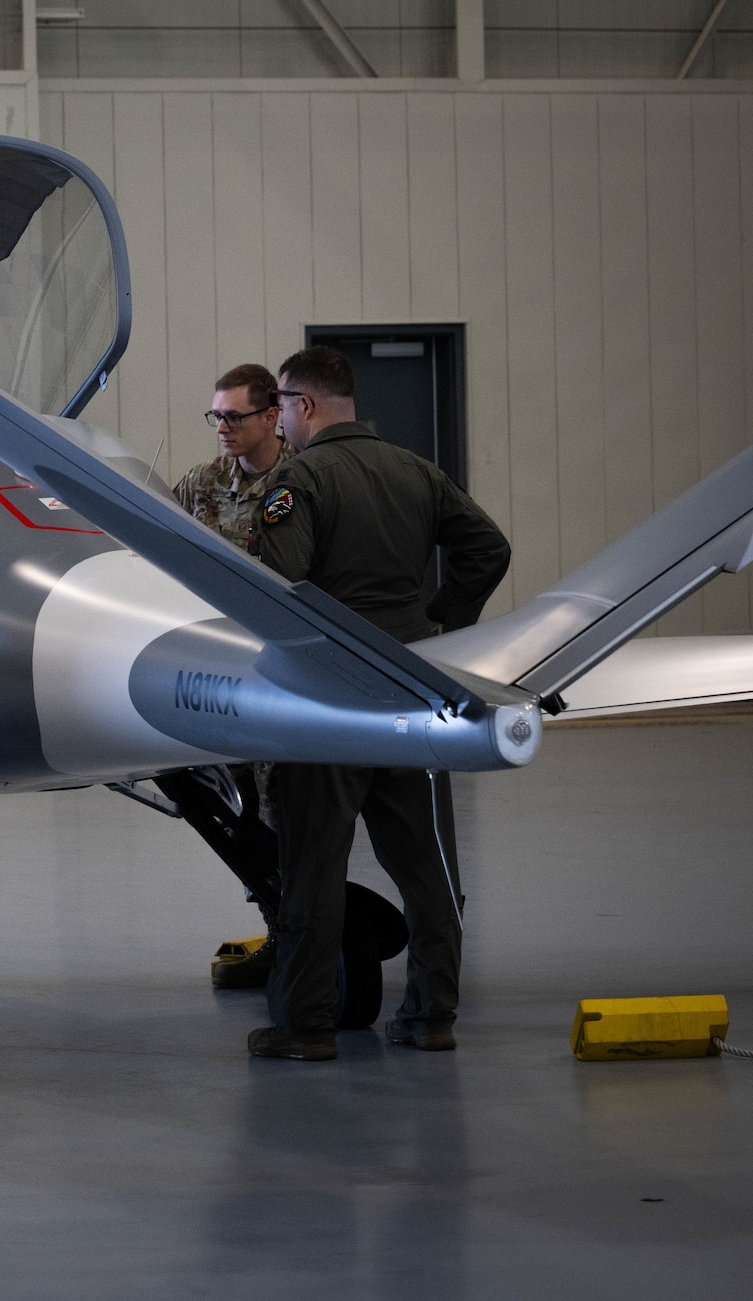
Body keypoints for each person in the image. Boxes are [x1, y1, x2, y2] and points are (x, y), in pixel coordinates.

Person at [248, 345, 510, 1061]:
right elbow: (488, 548)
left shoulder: (298, 480)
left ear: (302, 405)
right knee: (429, 867)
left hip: (330, 701)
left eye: (280, 405)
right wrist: (436, 622)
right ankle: (432, 1015)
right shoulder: (416, 471)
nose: (279, 419)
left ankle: (304, 1025)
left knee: (312, 866)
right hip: (413, 689)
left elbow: (282, 584)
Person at [160, 363, 289, 991]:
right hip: (223, 679)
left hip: (287, 677)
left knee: (287, 811)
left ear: (272, 416)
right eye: (216, 417)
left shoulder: (301, 481)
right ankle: (279, 928)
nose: (223, 429)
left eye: (235, 417)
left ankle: (308, 938)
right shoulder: (201, 484)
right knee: (237, 813)